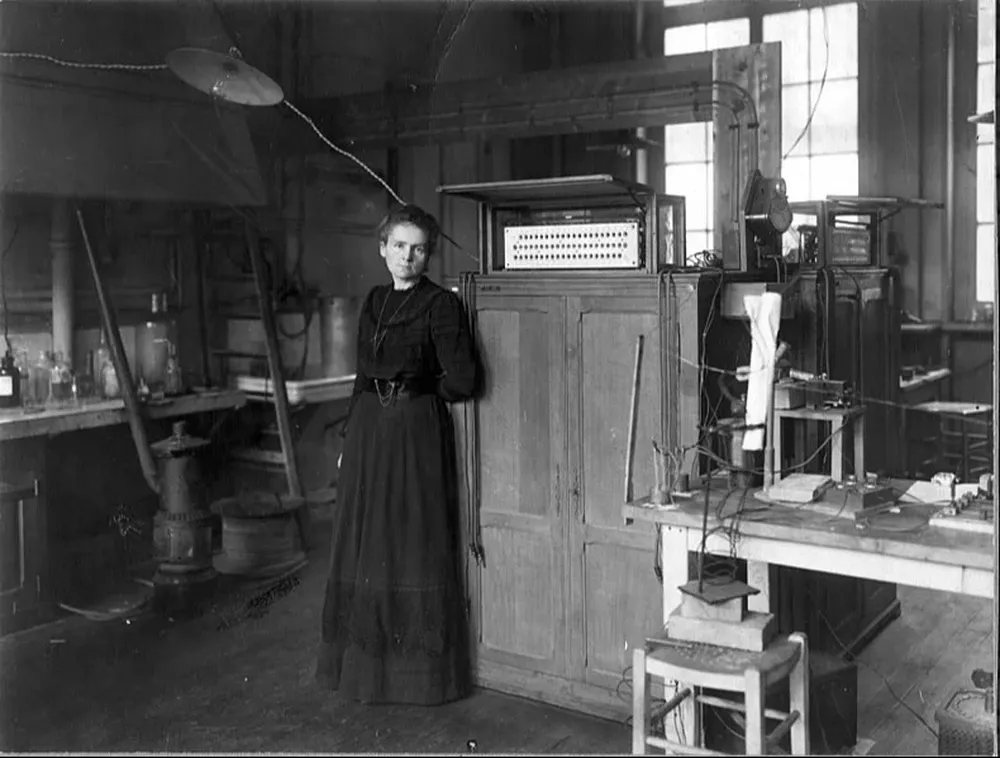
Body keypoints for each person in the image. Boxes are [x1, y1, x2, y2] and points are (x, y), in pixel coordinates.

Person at [317, 204, 478, 706]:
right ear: (383, 247)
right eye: (400, 246)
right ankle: (363, 674)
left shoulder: (441, 305)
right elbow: (363, 375)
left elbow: (466, 380)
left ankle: (414, 681)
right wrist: (349, 440)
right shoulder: (373, 301)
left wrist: (417, 386)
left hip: (413, 434)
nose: (408, 256)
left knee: (409, 542)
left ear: (427, 255)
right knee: (365, 543)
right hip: (368, 432)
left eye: (419, 249)